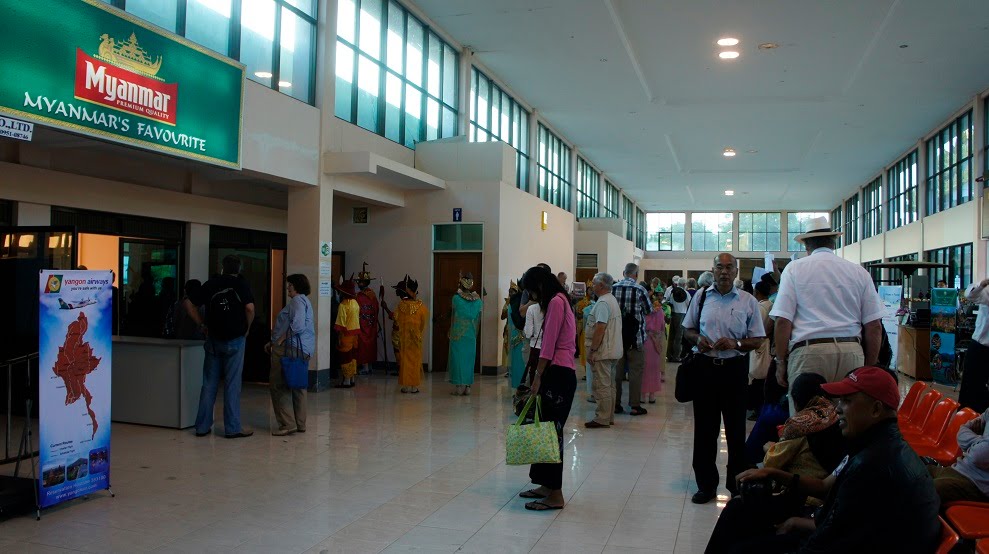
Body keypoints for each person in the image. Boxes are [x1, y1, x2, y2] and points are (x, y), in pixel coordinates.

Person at [714, 366, 940, 553]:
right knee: (739, 511)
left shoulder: (872, 466)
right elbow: (826, 489)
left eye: (847, 401)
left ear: (876, 409)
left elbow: (826, 540)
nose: (838, 409)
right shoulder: (875, 447)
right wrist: (772, 473)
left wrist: (794, 524)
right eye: (839, 400)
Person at [770, 216, 884, 415]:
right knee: (849, 423)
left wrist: (780, 362)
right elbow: (874, 325)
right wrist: (869, 367)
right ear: (833, 243)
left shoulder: (794, 269)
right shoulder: (858, 272)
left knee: (806, 423)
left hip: (809, 353)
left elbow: (783, 321)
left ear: (806, 245)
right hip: (851, 351)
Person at [683, 253, 766, 504]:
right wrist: (698, 339)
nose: (724, 272)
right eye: (720, 267)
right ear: (713, 269)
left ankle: (736, 484)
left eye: (730, 268)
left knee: (735, 430)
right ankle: (706, 485)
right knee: (705, 430)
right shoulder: (701, 297)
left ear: (736, 271)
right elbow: (687, 329)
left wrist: (737, 342)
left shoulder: (748, 301)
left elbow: (758, 338)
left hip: (734, 369)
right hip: (705, 368)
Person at [516, 266, 577, 511]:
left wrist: (538, 375)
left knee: (551, 434)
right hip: (558, 371)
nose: (532, 297)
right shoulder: (561, 300)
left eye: (532, 291)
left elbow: (548, 344)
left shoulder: (556, 302)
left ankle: (556, 494)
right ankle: (545, 485)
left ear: (539, 286)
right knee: (543, 429)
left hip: (557, 373)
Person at [184, 255, 255, 438]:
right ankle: (232, 428)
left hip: (213, 340)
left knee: (208, 384)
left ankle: (202, 426)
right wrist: (247, 328)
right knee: (232, 384)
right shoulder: (241, 285)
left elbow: (189, 303)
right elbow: (249, 308)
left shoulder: (211, 284)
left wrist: (201, 325)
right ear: (238, 269)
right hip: (235, 340)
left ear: (222, 268)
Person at [265, 274, 314, 436]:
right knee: (298, 385)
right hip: (303, 349)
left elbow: (297, 326)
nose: (288, 287)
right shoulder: (306, 302)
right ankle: (300, 423)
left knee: (279, 385)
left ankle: (287, 424)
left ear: (297, 286)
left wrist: (278, 340)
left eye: (290, 285)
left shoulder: (296, 301)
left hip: (289, 348)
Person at [613, 263, 653, 416]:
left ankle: (616, 404)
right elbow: (648, 311)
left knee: (617, 373)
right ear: (636, 274)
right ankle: (635, 405)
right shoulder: (640, 289)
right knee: (636, 373)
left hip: (617, 338)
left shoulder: (613, 288)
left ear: (624, 273)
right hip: (636, 338)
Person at [927, 407, 989, 504]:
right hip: (957, 469)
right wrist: (980, 442)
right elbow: (962, 431)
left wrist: (979, 444)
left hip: (978, 485)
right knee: (914, 468)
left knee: (926, 491)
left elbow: (979, 456)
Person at [584, 272, 623, 428]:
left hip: (603, 351)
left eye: (594, 283)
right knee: (610, 384)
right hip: (612, 349)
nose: (592, 286)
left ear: (601, 285)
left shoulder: (603, 303)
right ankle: (609, 416)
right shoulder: (611, 300)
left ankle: (602, 417)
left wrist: (593, 350)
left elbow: (600, 328)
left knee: (602, 385)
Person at [385, 274, 428, 394]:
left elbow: (396, 319)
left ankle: (406, 386)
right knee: (415, 361)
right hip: (417, 338)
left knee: (405, 361)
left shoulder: (401, 306)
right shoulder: (421, 307)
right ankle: (414, 386)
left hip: (404, 338)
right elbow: (423, 324)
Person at [447, 272, 482, 396]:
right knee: (468, 359)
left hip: (458, 334)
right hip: (471, 334)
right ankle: (467, 386)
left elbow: (453, 316)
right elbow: (476, 318)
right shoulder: (478, 301)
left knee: (458, 359)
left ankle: (459, 386)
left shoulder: (456, 298)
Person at [960, 278, 989, 413]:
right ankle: (967, 417)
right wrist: (983, 283)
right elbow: (970, 295)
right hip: (980, 347)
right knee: (972, 386)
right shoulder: (986, 292)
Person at [747, 280, 775, 419]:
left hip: (760, 345)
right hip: (768, 345)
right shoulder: (771, 305)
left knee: (757, 377)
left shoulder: (759, 308)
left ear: (756, 292)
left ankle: (757, 409)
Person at [333, 277, 361, 388]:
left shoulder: (343, 305)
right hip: (355, 335)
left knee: (345, 357)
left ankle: (346, 381)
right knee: (352, 356)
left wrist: (339, 336)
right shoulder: (355, 303)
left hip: (346, 334)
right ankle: (352, 378)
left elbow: (341, 322)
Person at [355, 263, 379, 376]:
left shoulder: (361, 296)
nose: (358, 283)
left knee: (364, 346)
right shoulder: (372, 295)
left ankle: (366, 367)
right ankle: (368, 366)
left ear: (364, 283)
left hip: (364, 324)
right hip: (370, 324)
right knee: (368, 345)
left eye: (359, 281)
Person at [642, 297, 665, 404]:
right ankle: (652, 395)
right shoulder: (660, 311)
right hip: (656, 342)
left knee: (643, 368)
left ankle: (642, 395)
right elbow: (662, 327)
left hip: (644, 340)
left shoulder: (642, 309)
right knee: (654, 368)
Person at [506, 280, 528, 388]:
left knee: (518, 362)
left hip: (517, 337)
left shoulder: (514, 301)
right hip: (525, 337)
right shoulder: (527, 302)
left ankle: (519, 388)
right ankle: (523, 387)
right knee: (523, 363)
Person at [665, 276, 690, 362]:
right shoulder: (686, 293)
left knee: (671, 336)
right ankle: (676, 356)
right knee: (678, 337)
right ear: (684, 284)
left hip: (672, 314)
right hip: (682, 315)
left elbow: (666, 301)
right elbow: (689, 304)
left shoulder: (671, 291)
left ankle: (669, 355)